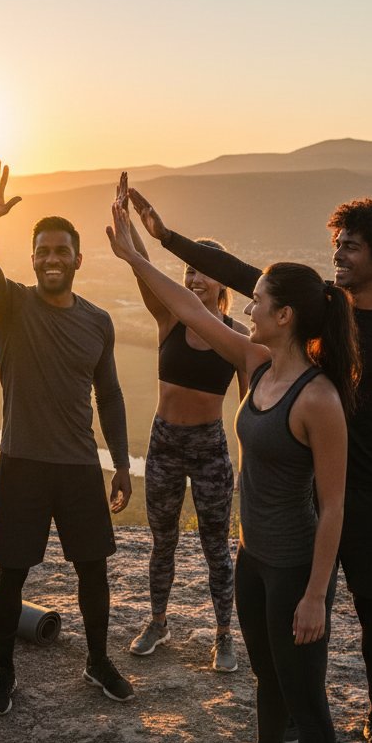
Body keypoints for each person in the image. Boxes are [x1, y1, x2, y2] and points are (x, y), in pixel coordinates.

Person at [128, 188, 372, 743]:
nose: (340, 252)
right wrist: (162, 237)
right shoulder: (315, 312)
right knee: (296, 617)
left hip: (369, 492)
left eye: (352, 245)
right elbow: (234, 279)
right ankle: (294, 713)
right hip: (304, 489)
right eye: (338, 242)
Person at [108, 192, 360, 743]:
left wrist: (315, 594)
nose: (246, 306)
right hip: (254, 560)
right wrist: (136, 253)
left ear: (285, 316)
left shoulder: (318, 397)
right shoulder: (257, 366)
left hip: (294, 569)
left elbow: (333, 507)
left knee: (308, 705)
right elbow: (188, 309)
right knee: (266, 675)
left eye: (258, 301)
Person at [0, 159, 134, 715]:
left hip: (79, 466)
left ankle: (98, 660)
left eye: (62, 250)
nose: (52, 258)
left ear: (78, 259)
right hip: (22, 464)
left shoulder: (98, 322)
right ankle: (4, 671)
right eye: (43, 250)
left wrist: (122, 464)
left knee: (93, 570)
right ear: (32, 258)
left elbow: (108, 395)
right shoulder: (10, 307)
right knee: (11, 575)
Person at [116, 176, 248, 672]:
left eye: (204, 273)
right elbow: (147, 273)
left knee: (217, 545)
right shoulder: (170, 321)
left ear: (222, 284)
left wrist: (249, 463)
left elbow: (250, 407)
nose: (194, 279)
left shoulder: (236, 336)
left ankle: (223, 635)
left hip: (211, 448)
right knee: (162, 540)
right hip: (165, 443)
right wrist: (128, 233)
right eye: (190, 271)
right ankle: (157, 621)